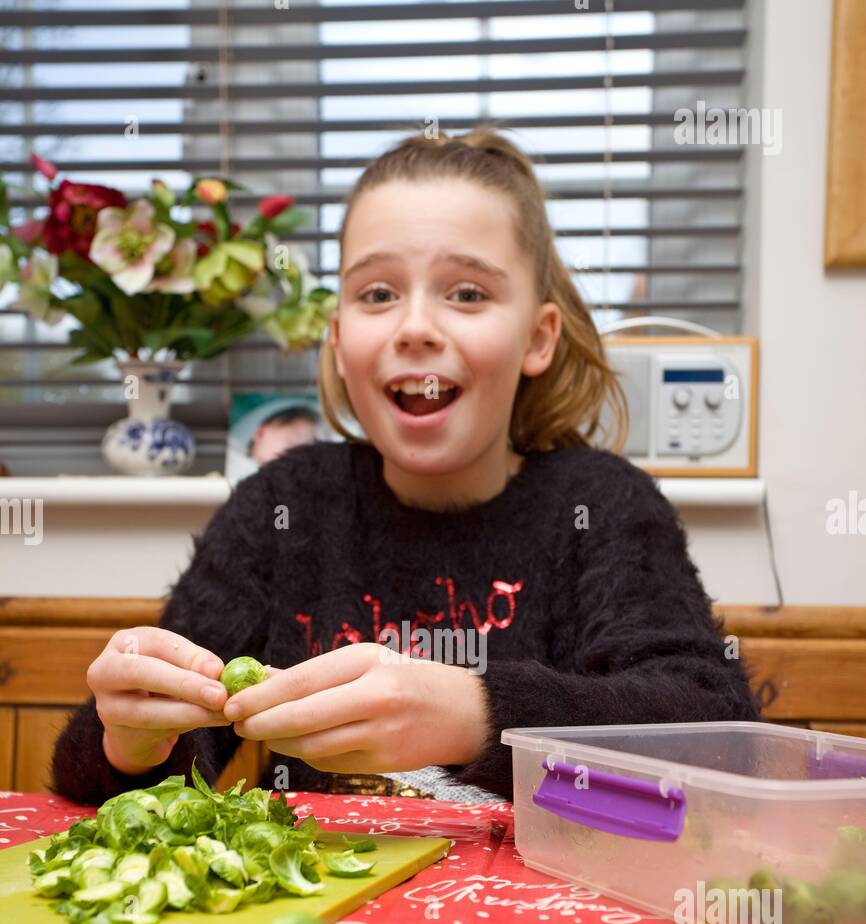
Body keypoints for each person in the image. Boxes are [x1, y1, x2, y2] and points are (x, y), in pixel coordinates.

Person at [52, 126, 759, 809]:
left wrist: (480, 715)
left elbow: (711, 729)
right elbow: (116, 789)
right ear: (337, 338)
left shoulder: (602, 507)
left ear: (538, 338)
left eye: (468, 293)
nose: (414, 326)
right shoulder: (287, 504)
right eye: (378, 294)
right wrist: (131, 740)